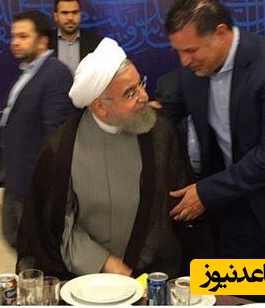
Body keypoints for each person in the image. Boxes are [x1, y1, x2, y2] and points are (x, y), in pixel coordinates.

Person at [158, 0, 265, 304]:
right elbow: (167, 112)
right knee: (237, 299)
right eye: (178, 52)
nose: (183, 61)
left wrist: (205, 192)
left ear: (221, 33)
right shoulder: (193, 70)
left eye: (190, 50)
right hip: (231, 214)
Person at [17, 38, 190, 279]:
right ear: (99, 106)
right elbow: (55, 223)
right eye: (130, 93)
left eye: (140, 84)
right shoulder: (61, 149)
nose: (144, 96)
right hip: (84, 281)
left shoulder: (160, 133)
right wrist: (102, 262)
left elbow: (170, 210)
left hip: (150, 275)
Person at [0, 11, 75, 248]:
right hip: (15, 178)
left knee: (37, 248)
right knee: (13, 236)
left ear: (42, 41)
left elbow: (56, 134)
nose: (15, 42)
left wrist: (44, 185)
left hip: (35, 183)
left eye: (23, 36)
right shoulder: (28, 72)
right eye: (13, 36)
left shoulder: (56, 74)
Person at [51, 0, 103, 74]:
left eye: (75, 12)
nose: (70, 18)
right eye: (65, 13)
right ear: (56, 16)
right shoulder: (46, 42)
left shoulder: (97, 43)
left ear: (80, 14)